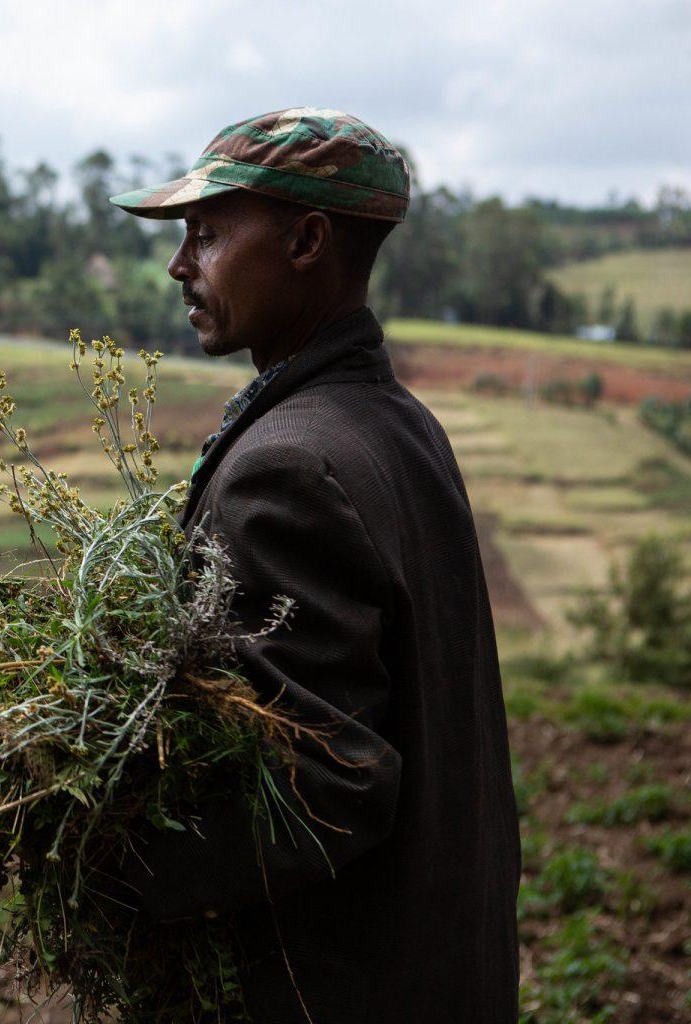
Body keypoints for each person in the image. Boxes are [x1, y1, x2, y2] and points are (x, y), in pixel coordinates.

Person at [105, 108, 521, 1022]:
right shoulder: (394, 424)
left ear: (306, 240)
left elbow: (324, 780)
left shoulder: (286, 468)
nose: (181, 264)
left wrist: (99, 856)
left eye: (208, 234)